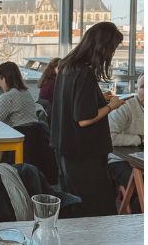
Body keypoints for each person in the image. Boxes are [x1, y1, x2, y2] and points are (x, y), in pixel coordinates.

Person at [50, 22, 125, 217]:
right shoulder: (85, 74)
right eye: (113, 49)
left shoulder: (66, 67)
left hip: (65, 149)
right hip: (84, 153)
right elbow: (84, 119)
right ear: (103, 47)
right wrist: (111, 106)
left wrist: (100, 99)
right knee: (98, 208)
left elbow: (72, 104)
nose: (112, 54)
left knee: (75, 207)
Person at [107, 74, 145, 213]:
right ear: (136, 89)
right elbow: (109, 138)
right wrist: (140, 139)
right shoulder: (125, 107)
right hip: (119, 161)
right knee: (146, 186)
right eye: (143, 87)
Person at [0, 62, 40, 128]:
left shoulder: (7, 96)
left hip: (16, 134)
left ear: (4, 79)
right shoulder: (27, 93)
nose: (0, 84)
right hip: (33, 133)